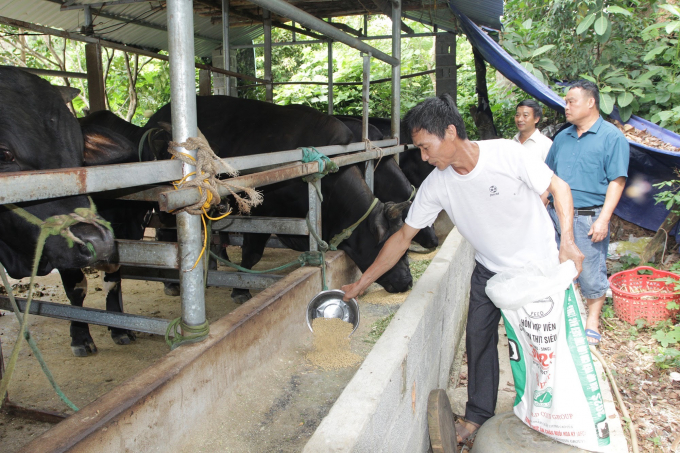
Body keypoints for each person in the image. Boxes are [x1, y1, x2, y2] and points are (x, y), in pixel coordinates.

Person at [342, 94, 584, 443]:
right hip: (489, 270)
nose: (423, 157)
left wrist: (568, 241)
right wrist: (362, 283)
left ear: (450, 131)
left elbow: (558, 188)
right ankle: (476, 417)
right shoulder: (437, 184)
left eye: (426, 147)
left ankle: (550, 413)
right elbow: (402, 237)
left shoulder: (507, 153)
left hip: (538, 266)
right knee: (479, 339)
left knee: (540, 342)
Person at [545, 80, 629, 347]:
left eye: (571, 101)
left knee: (591, 269)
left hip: (586, 217)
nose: (566, 106)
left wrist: (603, 219)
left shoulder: (611, 137)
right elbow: (548, 177)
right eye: (566, 101)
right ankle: (559, 315)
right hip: (555, 215)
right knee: (554, 267)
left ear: (591, 102)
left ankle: (592, 319)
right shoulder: (562, 136)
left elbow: (617, 181)